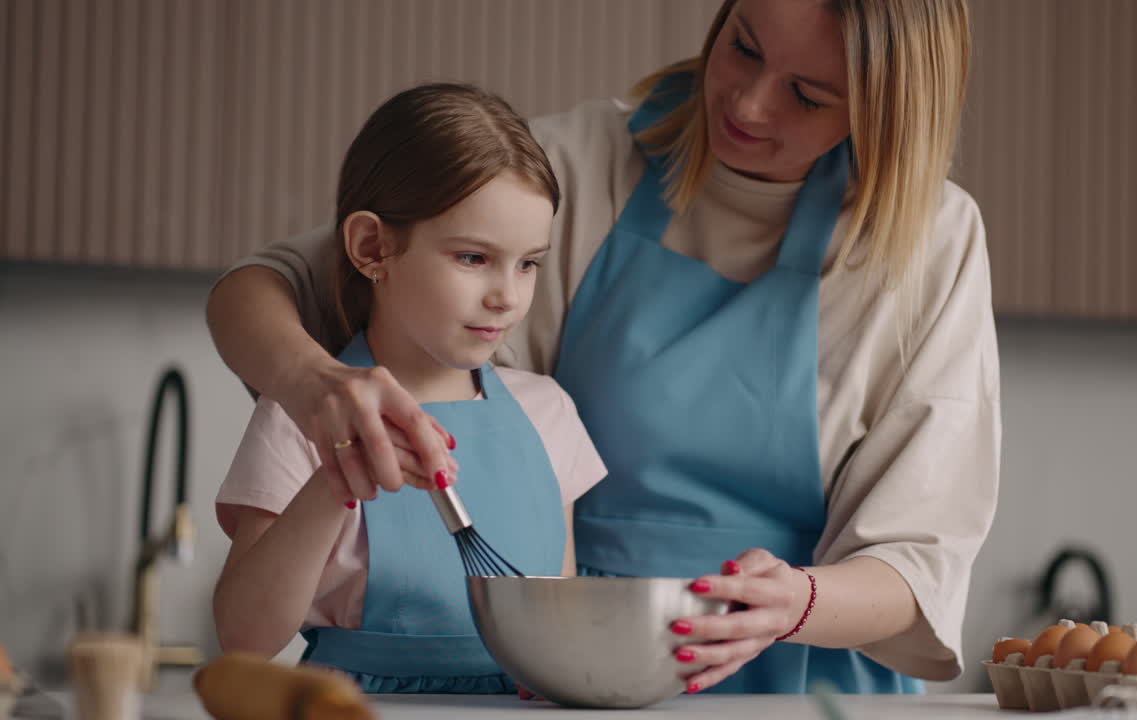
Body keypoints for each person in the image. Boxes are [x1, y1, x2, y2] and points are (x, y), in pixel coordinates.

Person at [207, 0, 1000, 696]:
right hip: (580, 669)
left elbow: (919, 564)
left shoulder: (929, 242)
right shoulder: (583, 166)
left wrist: (798, 603)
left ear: (885, 108)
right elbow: (261, 285)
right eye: (744, 47)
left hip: (809, 686)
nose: (750, 105)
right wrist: (312, 386)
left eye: (808, 95)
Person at [211, 83, 607, 694]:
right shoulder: (304, 417)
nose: (507, 294)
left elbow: (556, 609)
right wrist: (333, 480)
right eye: (474, 258)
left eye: (528, 263)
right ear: (373, 247)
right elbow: (245, 637)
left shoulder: (548, 413)